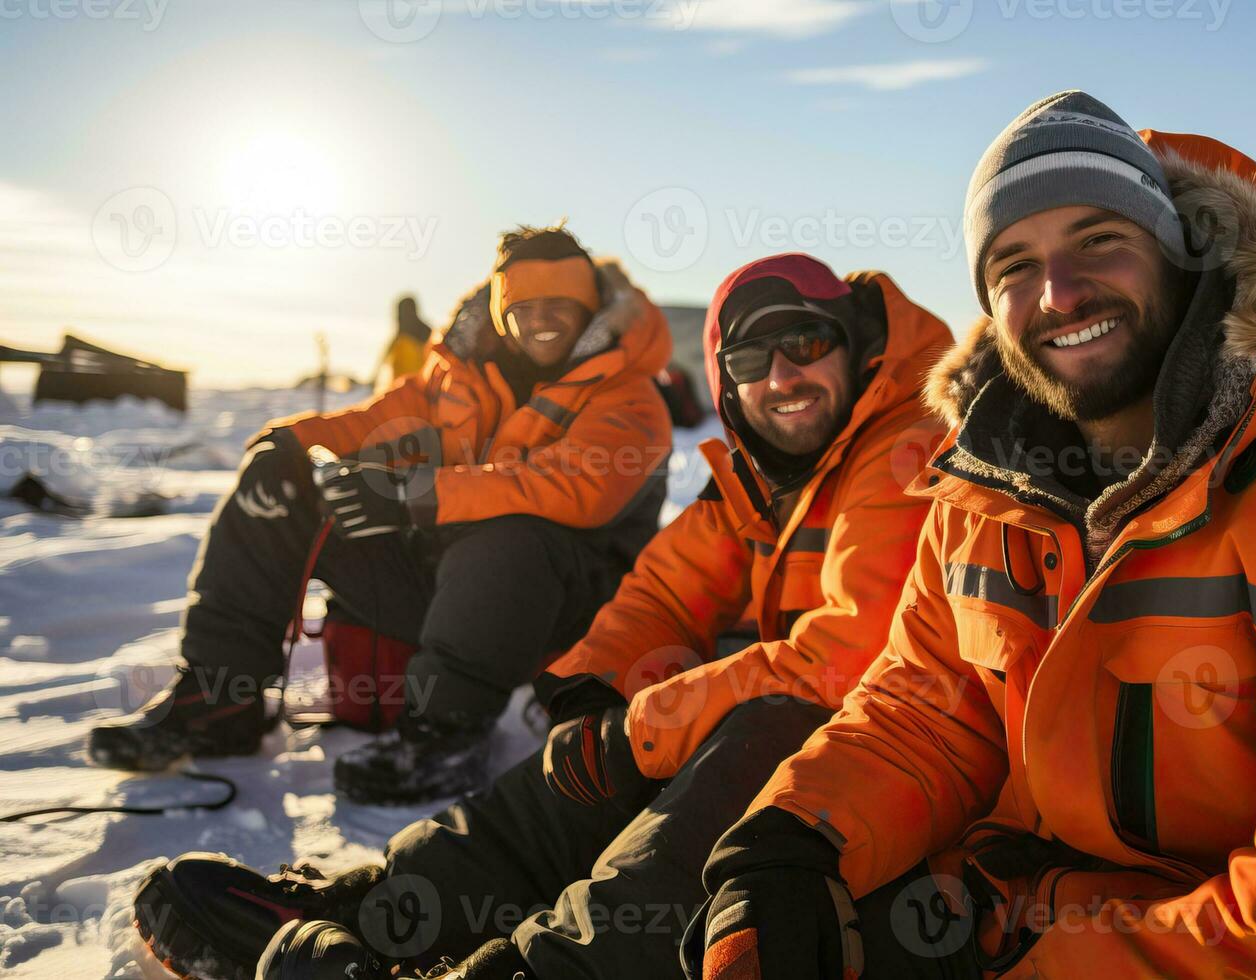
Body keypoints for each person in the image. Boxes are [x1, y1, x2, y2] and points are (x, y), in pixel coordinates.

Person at [690, 92, 1256, 979]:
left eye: (1099, 240)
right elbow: (925, 708)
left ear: (1179, 255)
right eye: (1014, 265)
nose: (1057, 294)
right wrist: (794, 843)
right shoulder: (985, 483)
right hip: (1004, 915)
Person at [131, 254, 953, 980]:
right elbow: (665, 591)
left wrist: (641, 727)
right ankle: (387, 910)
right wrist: (595, 691)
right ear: (726, 383)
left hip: (889, 754)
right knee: (593, 770)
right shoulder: (763, 471)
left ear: (854, 344)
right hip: (706, 675)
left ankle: (535, 964)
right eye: (749, 357)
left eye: (804, 344)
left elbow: (850, 656)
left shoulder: (902, 444)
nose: (780, 375)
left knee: (745, 740)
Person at [89, 224, 675, 806]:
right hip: (452, 591)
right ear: (502, 314)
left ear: (590, 307)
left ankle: (442, 740)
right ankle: (217, 705)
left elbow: (575, 487)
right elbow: (371, 422)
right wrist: (286, 446)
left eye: (561, 305)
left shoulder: (631, 393)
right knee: (281, 493)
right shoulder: (457, 376)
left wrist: (417, 496)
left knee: (510, 535)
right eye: (526, 307)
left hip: (568, 609)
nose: (543, 320)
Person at [374, 294, 433, 392]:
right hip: (419, 389)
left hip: (409, 390)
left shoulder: (401, 339)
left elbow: (382, 362)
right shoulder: (428, 332)